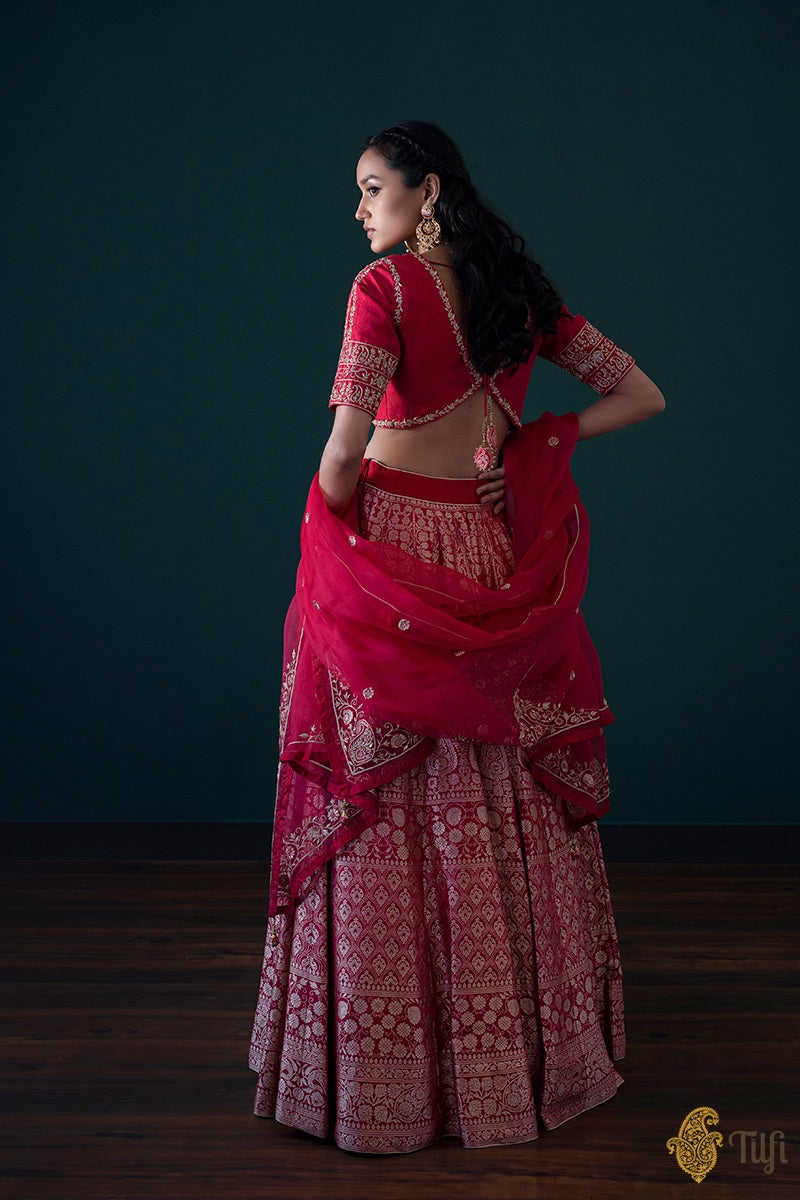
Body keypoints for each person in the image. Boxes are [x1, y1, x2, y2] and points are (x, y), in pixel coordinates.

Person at [249, 120, 665, 1156]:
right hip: (483, 547)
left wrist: (325, 529)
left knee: (385, 782)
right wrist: (536, 439)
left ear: (426, 190)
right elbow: (639, 394)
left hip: (390, 547)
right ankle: (511, 1056)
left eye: (371, 187)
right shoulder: (516, 298)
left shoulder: (382, 289)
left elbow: (343, 449)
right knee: (493, 783)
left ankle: (386, 1074)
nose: (359, 208)